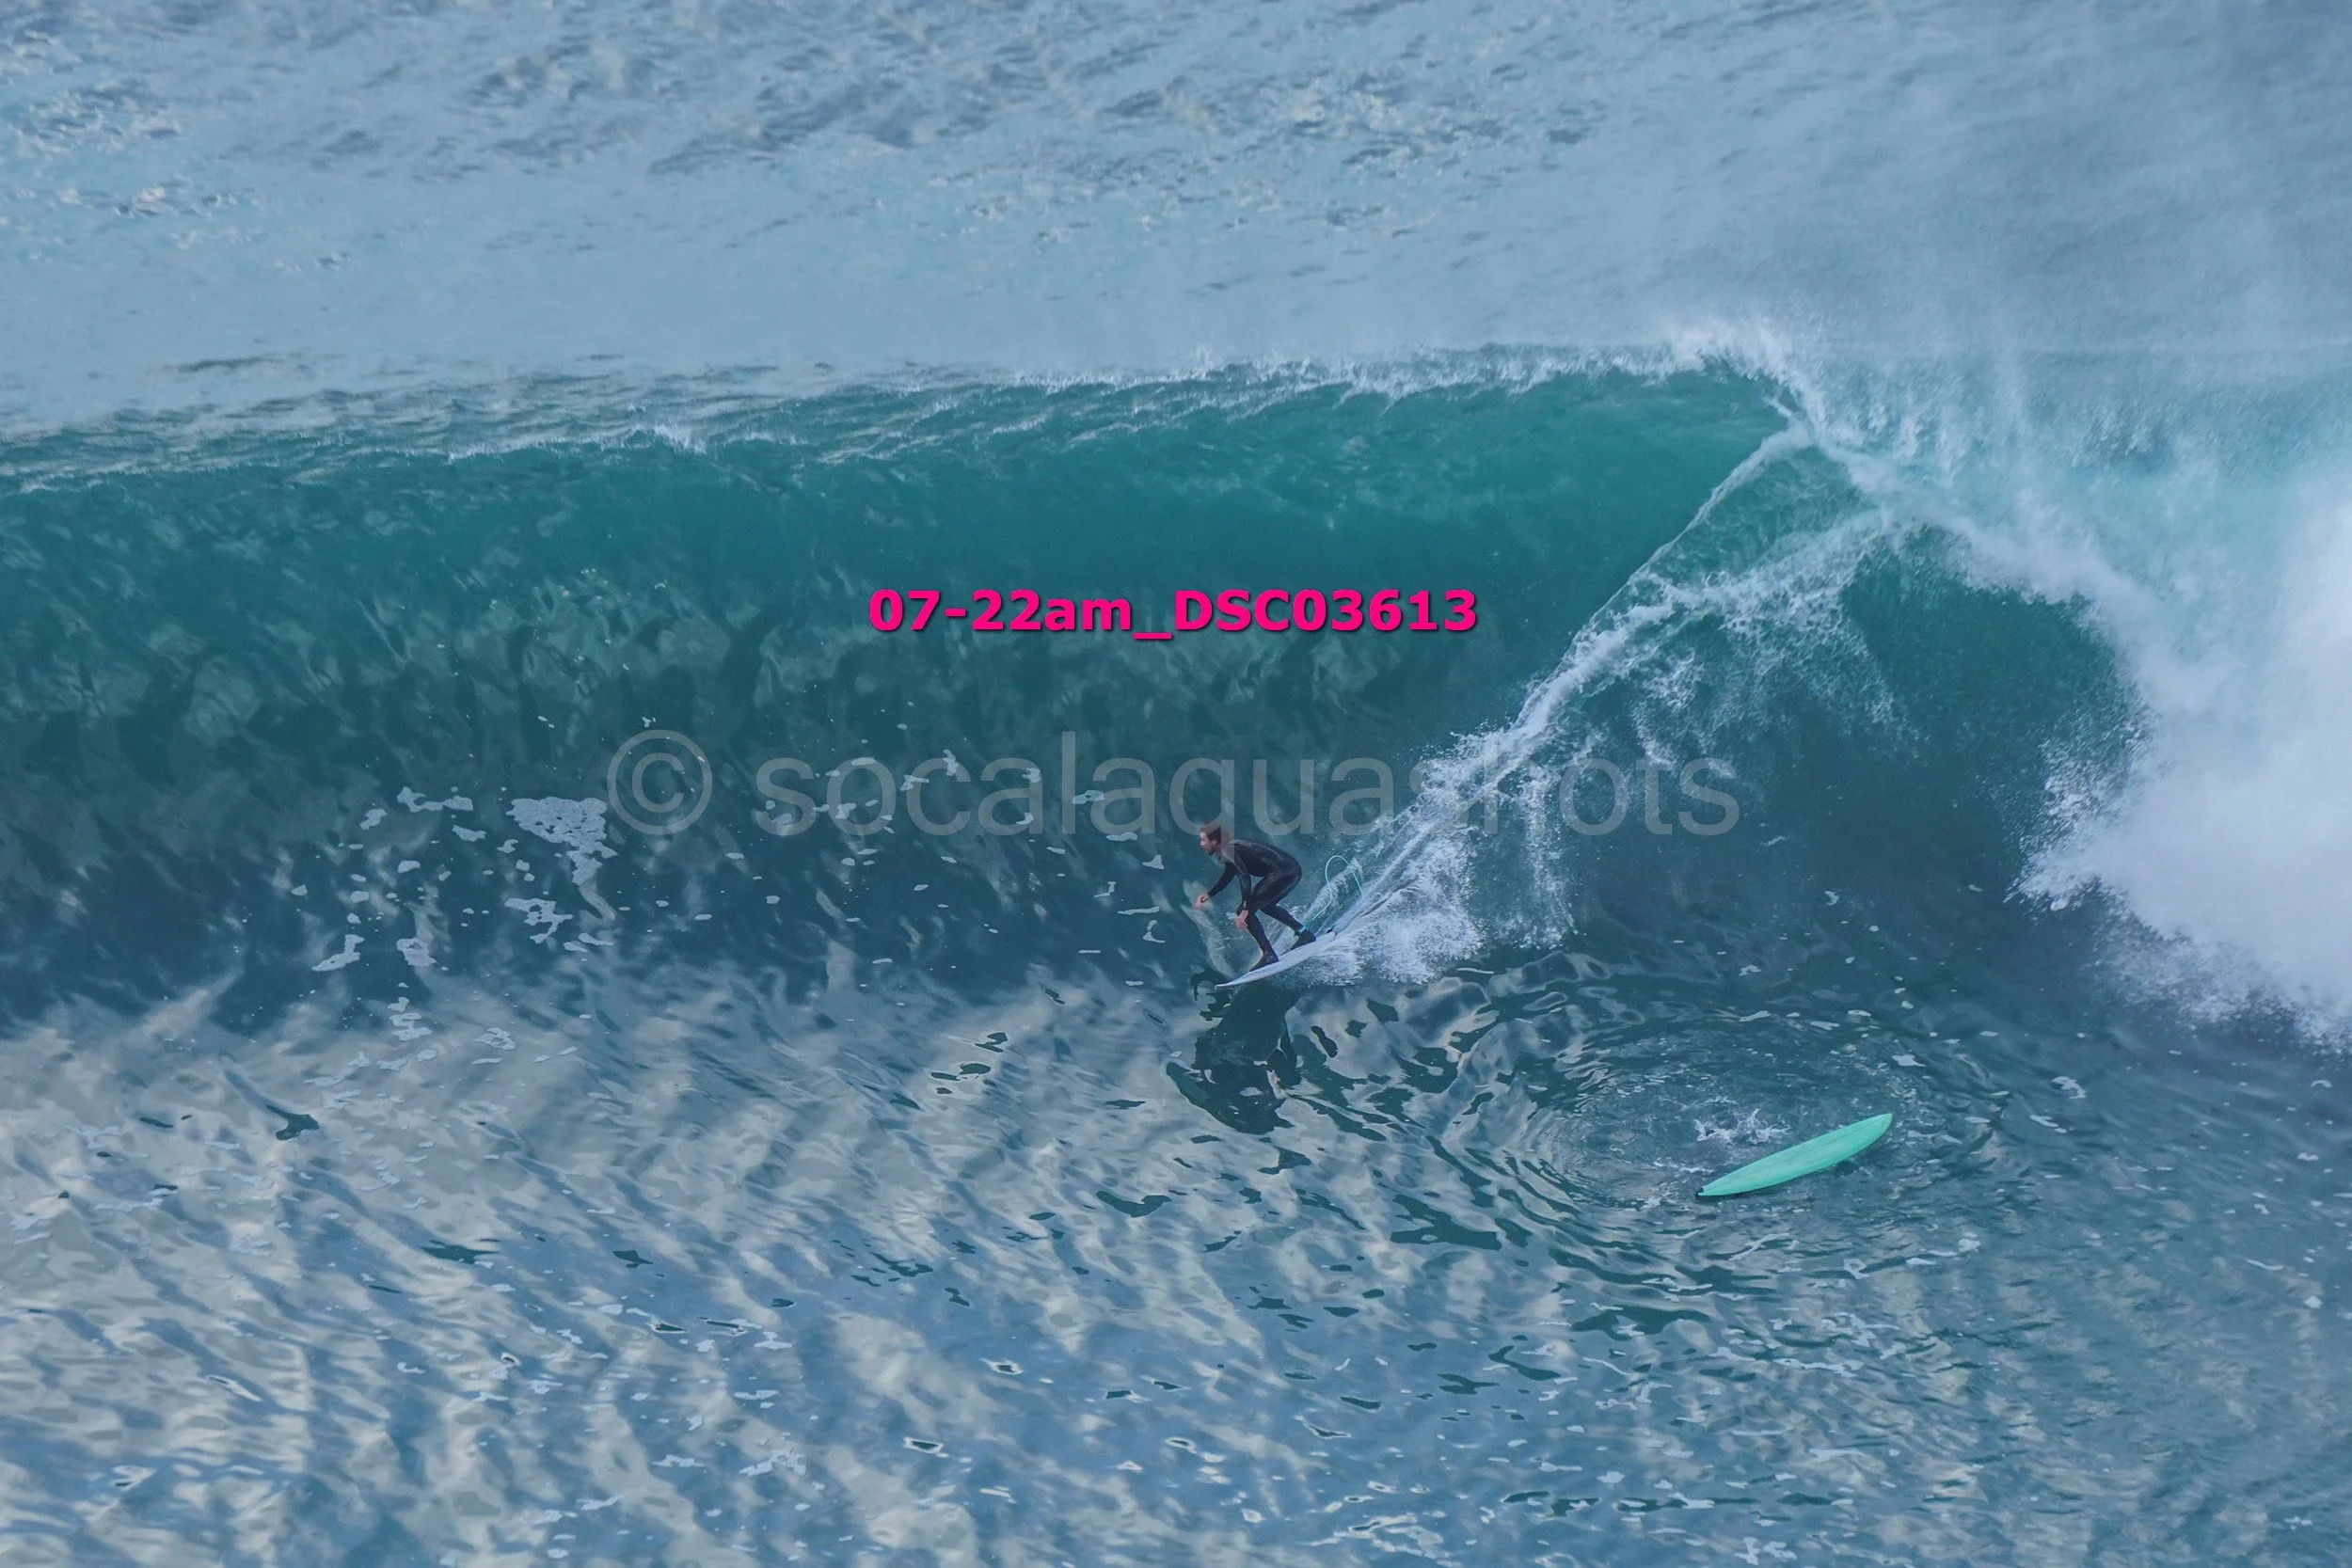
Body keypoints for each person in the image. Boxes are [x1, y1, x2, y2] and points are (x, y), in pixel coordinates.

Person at [1195, 823, 1316, 969]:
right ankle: (1304, 933)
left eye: (1203, 840)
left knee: (1243, 911)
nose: (1201, 844)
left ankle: (1269, 954)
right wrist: (1209, 893)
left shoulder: (1228, 851)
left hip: (1282, 873)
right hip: (1292, 870)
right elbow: (1229, 874)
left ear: (1214, 841)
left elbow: (1244, 876)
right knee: (1267, 906)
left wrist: (1246, 908)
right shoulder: (1230, 849)